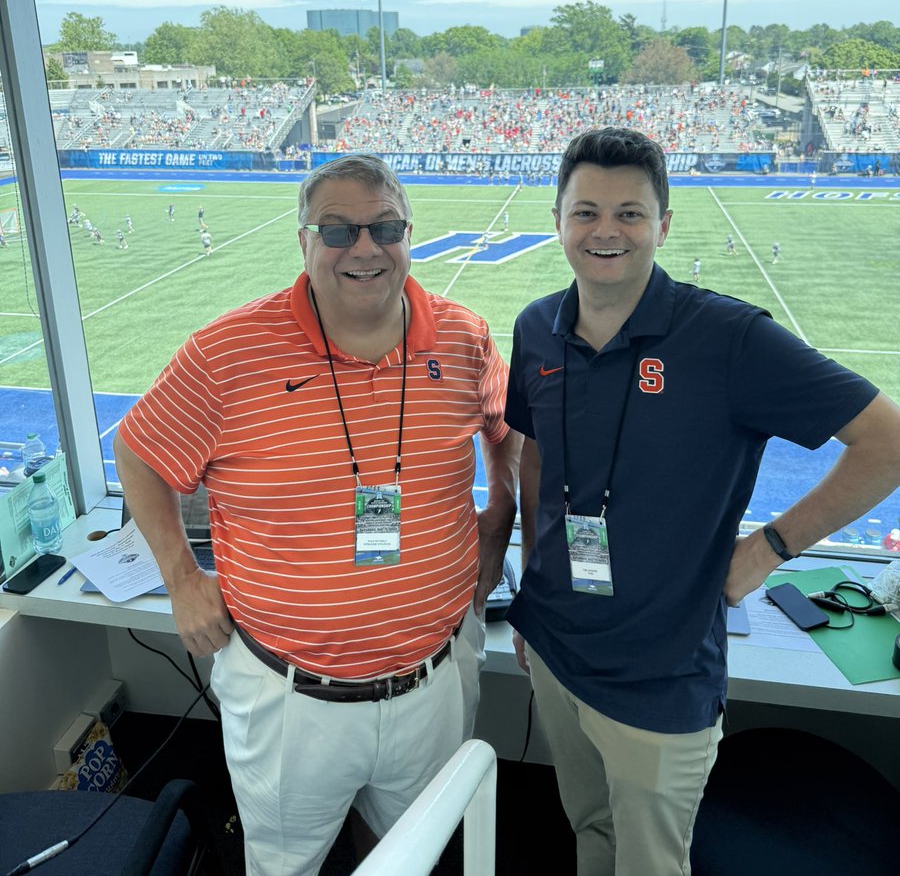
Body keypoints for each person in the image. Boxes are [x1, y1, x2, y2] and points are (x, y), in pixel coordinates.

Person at [504, 126, 900, 876]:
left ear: (664, 224)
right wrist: (537, 587)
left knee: (652, 863)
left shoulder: (727, 338)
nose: (606, 231)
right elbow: (534, 457)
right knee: (590, 830)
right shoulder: (536, 329)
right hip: (556, 648)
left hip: (660, 676)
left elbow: (888, 441)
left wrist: (767, 551)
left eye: (629, 212)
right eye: (586, 211)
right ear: (557, 219)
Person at [114, 153, 519, 876]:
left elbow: (504, 421)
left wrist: (500, 513)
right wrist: (181, 578)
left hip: (433, 676)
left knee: (414, 856)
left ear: (408, 234)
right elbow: (141, 451)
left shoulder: (462, 335)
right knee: (286, 867)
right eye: (337, 231)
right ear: (302, 241)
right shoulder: (227, 352)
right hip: (289, 696)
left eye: (384, 226)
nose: (364, 248)